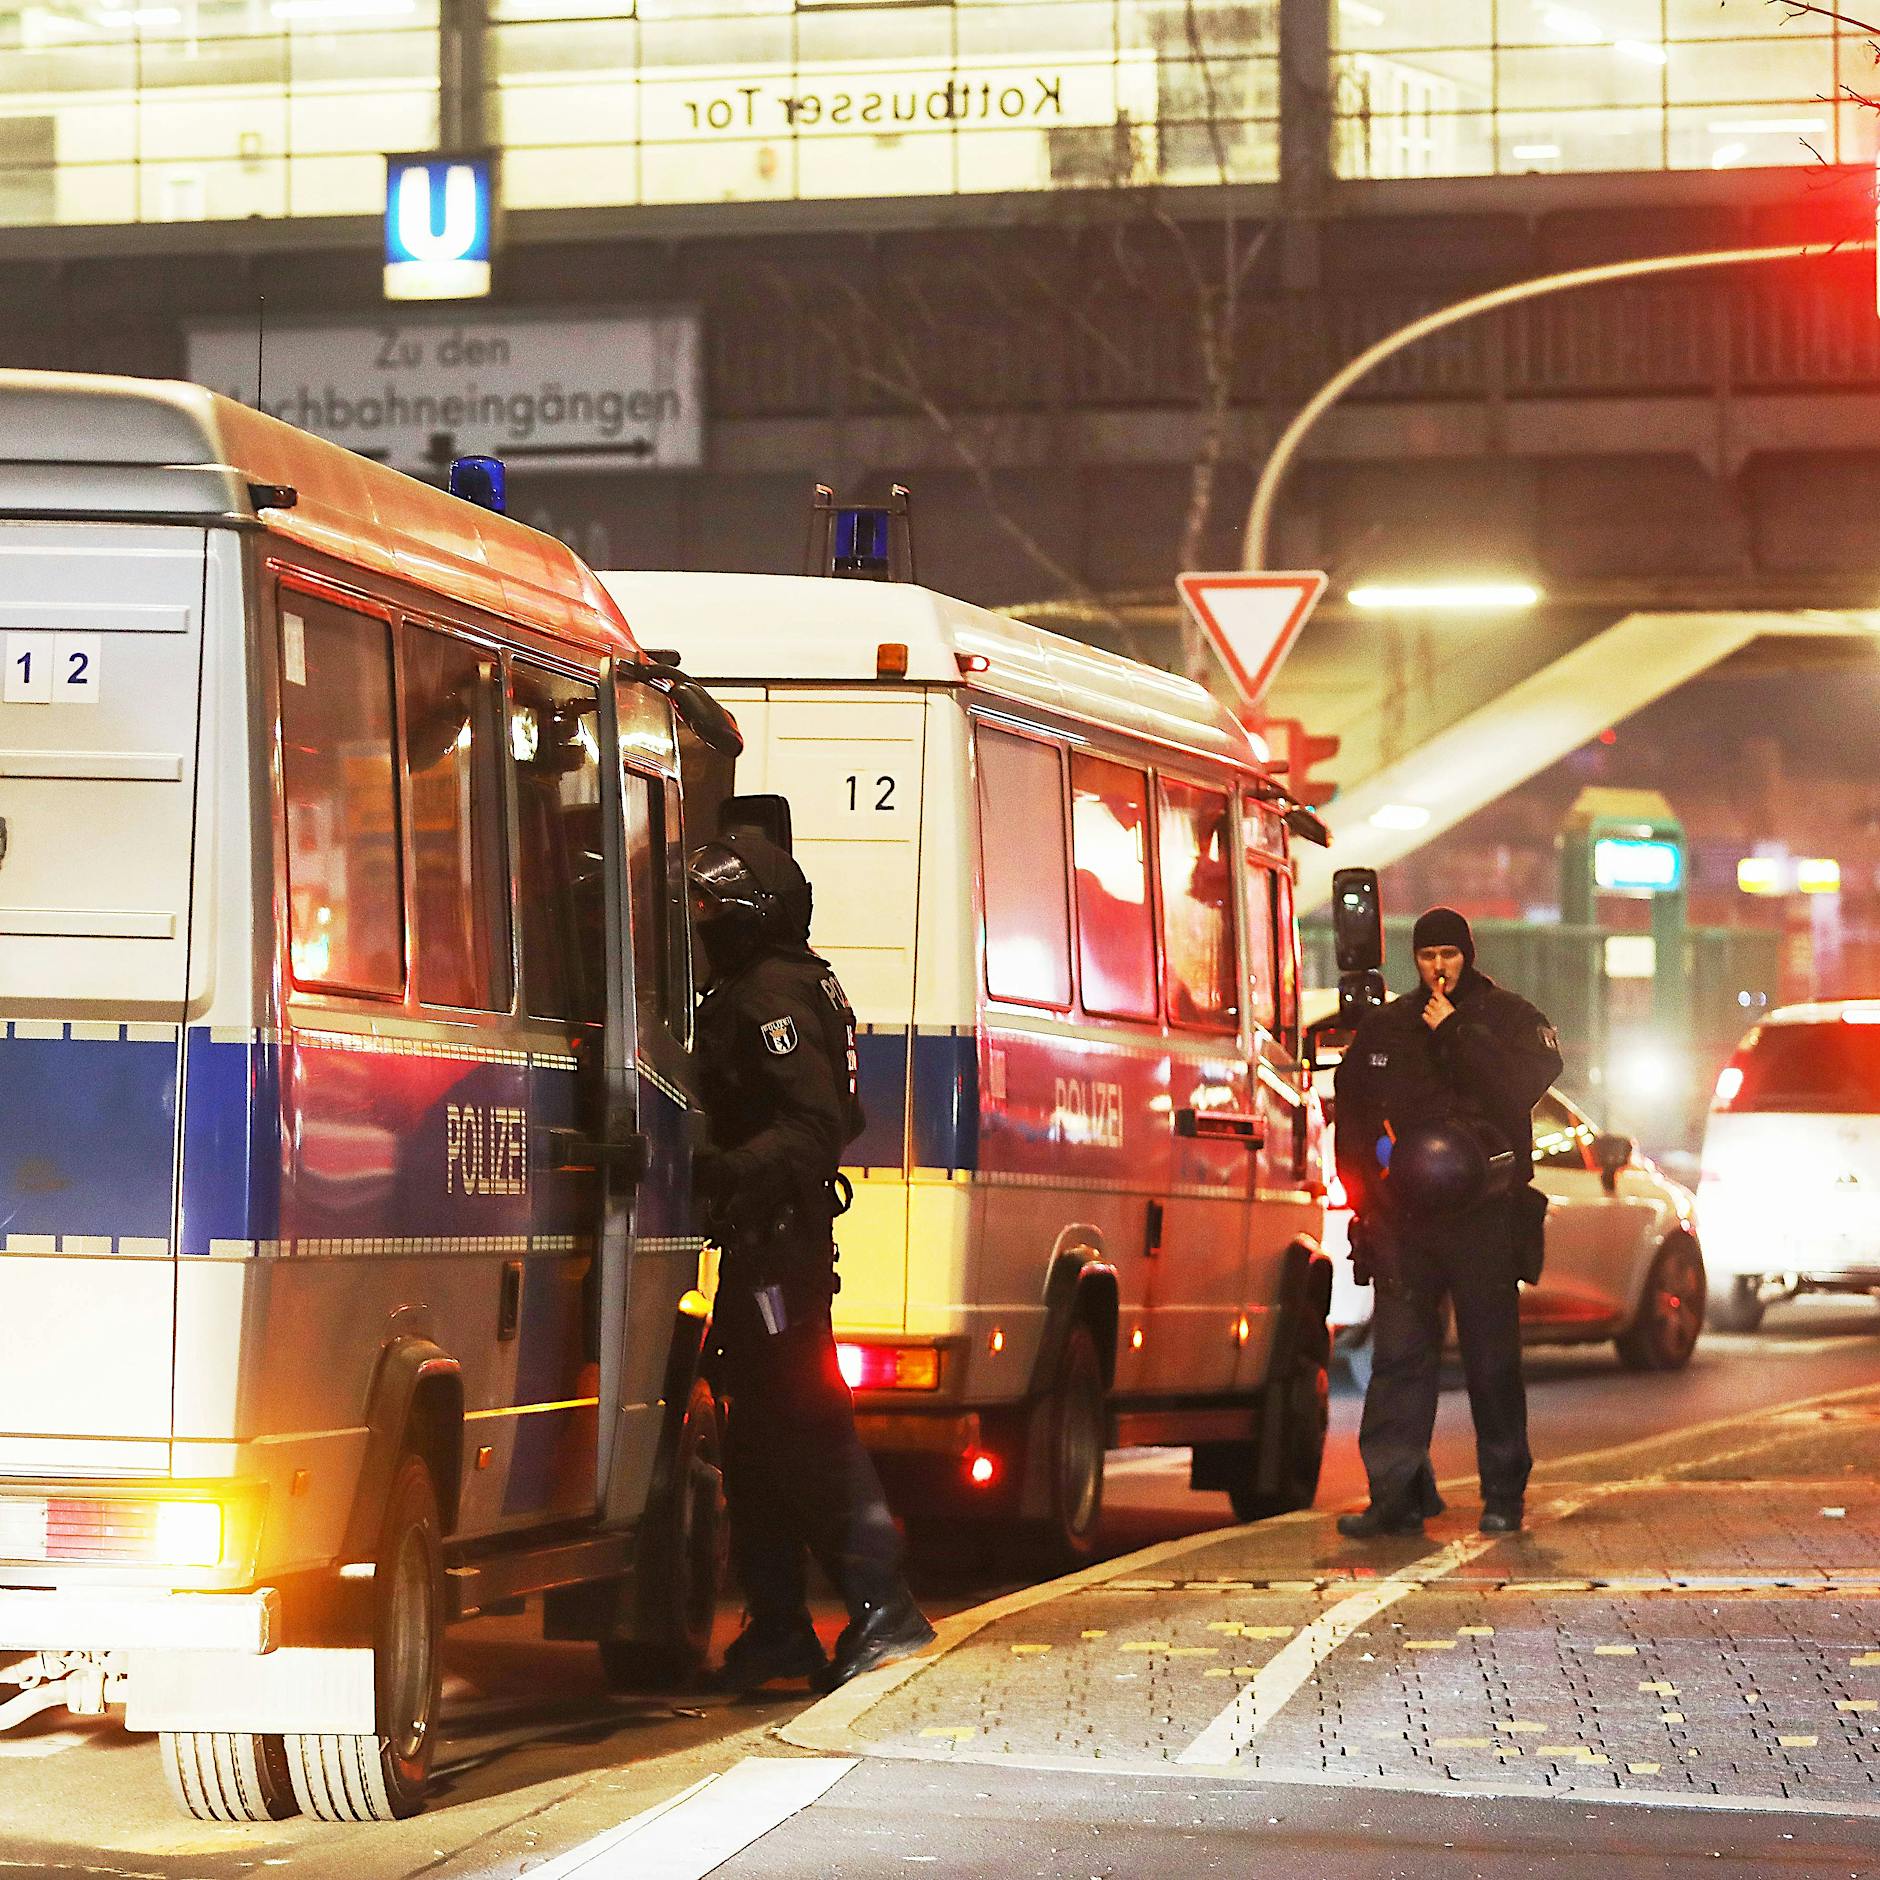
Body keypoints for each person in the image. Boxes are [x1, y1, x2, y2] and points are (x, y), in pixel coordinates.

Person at [687, 829, 934, 1693]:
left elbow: (815, 1125)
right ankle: (780, 1626)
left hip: (776, 1248)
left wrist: (719, 1169)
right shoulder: (797, 980)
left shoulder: (768, 998)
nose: (698, 926)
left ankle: (883, 1604)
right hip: (769, 1246)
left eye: (709, 911)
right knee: (755, 1439)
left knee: (807, 1428)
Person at [1332, 907, 1562, 1539]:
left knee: (1491, 1361)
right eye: (1429, 956)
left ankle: (1503, 1496)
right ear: (1416, 959)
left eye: (1450, 956)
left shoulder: (1508, 1019)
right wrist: (1366, 1200)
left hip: (1484, 1218)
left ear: (1468, 955)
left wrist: (1460, 1033)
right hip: (1406, 1220)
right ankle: (1395, 1497)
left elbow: (1519, 1087)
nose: (1439, 968)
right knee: (1400, 1361)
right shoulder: (1388, 1028)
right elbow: (1351, 1111)